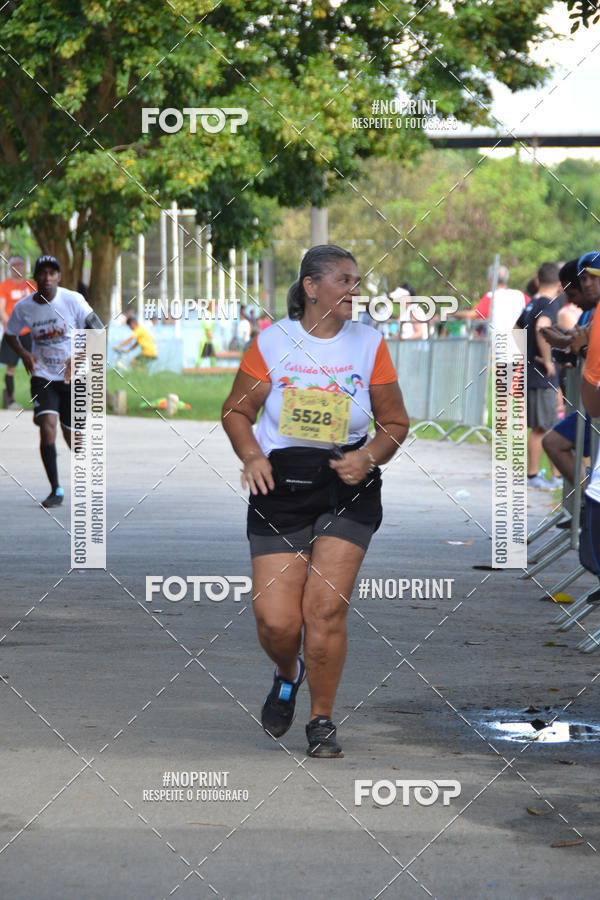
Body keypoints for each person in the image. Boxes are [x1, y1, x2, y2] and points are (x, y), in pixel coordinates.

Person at [221, 244, 409, 758]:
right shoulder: (274, 340)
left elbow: (395, 423)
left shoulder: (369, 344)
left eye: (356, 280)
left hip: (346, 482)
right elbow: (236, 411)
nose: (355, 290)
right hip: (280, 481)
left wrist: (368, 457)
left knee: (324, 610)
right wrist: (252, 455)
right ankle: (288, 672)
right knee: (277, 621)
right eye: (345, 280)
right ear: (311, 287)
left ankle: (321, 720)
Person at [4, 255, 103, 507]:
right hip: (43, 375)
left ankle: (90, 479)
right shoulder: (24, 307)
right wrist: (25, 354)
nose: (47, 278)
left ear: (59, 276)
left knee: (73, 439)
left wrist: (79, 357)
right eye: (42, 273)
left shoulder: (73, 300)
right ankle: (55, 489)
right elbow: (10, 334)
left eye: (52, 273)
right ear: (35, 277)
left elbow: (98, 330)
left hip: (75, 377)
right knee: (47, 426)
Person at [541, 256, 598, 509]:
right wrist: (569, 344)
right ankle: (587, 504)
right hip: (591, 406)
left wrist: (576, 347)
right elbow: (580, 342)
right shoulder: (589, 314)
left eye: (592, 278)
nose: (587, 286)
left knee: (552, 441)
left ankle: (588, 505)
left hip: (594, 407)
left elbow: (584, 347)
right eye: (583, 279)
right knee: (553, 442)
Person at [515, 262, 562, 490]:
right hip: (542, 375)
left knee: (545, 424)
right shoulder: (548, 304)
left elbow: (516, 329)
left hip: (530, 372)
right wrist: (547, 359)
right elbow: (542, 327)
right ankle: (533, 475)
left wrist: (527, 354)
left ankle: (555, 476)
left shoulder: (531, 304)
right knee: (542, 427)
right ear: (560, 283)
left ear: (538, 280)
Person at [450, 264, 528, 335]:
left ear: (491, 280)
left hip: (499, 343)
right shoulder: (520, 294)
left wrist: (450, 314)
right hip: (519, 343)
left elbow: (471, 315)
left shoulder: (491, 296)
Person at [0, 255, 36, 409]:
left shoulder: (31, 285)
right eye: (14, 265)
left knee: (35, 366)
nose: (18, 267)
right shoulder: (5, 286)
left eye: (20, 264)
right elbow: (1, 309)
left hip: (30, 332)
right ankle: (11, 401)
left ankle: (39, 400)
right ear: (10, 268)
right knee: (11, 367)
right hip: (12, 332)